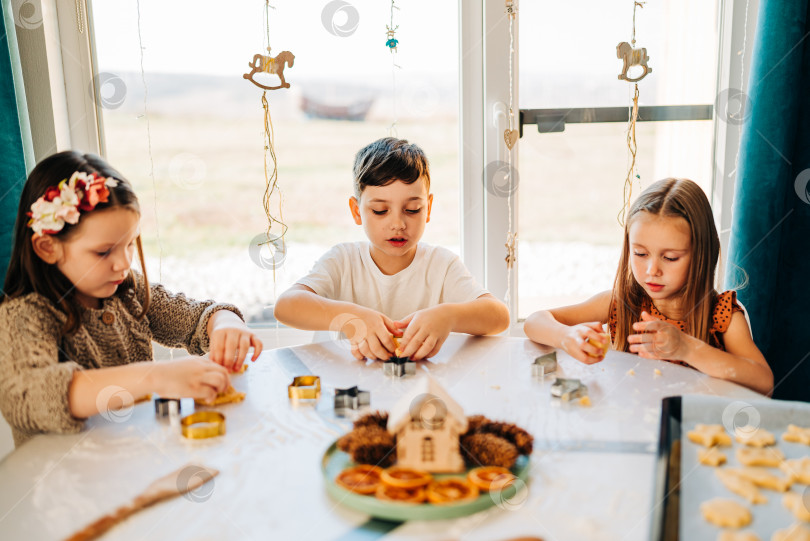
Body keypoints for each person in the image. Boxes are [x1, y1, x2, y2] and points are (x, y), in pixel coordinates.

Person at [0, 151, 263, 446]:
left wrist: (224, 323)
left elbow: (194, 318)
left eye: (130, 244)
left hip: (136, 462)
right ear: (48, 247)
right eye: (103, 252)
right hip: (66, 483)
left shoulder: (127, 289)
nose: (123, 263)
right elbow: (26, 394)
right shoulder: (23, 315)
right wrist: (152, 377)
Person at [524, 177, 773, 395]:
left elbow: (764, 382)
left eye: (670, 257)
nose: (652, 270)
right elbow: (535, 322)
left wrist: (686, 348)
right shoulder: (619, 302)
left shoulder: (723, 317)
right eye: (640, 254)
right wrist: (567, 337)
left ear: (701, 255)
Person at [274, 137, 509, 361]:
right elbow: (286, 306)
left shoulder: (441, 264)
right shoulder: (343, 261)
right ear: (357, 211)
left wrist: (448, 316)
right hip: (348, 390)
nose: (398, 224)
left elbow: (499, 316)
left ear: (428, 208)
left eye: (413, 209)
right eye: (380, 211)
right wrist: (350, 317)